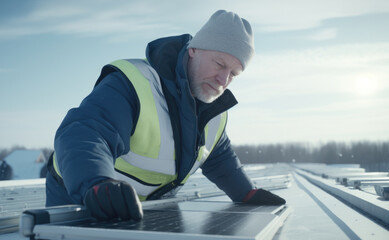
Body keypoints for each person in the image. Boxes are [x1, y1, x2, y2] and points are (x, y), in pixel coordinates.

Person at [46, 9, 285, 221]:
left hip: (143, 209)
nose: (224, 81)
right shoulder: (134, 83)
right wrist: (97, 182)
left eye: (234, 74)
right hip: (82, 198)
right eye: (220, 64)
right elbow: (85, 133)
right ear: (194, 50)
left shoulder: (214, 112)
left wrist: (246, 192)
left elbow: (219, 160)